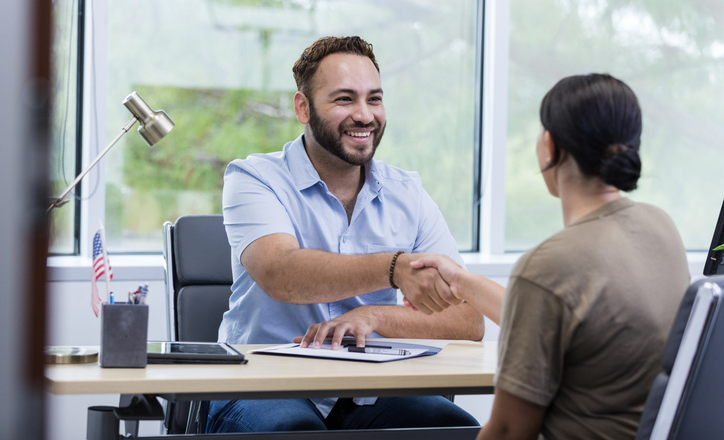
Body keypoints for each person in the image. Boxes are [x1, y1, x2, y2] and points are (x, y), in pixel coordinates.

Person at [206, 36, 484, 433]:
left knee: (453, 428)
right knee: (293, 431)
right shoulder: (254, 178)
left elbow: (468, 318)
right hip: (264, 387)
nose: (364, 115)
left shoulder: (407, 193)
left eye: (374, 99)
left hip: (372, 391)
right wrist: (394, 269)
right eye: (344, 99)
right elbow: (281, 273)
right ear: (303, 107)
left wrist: (373, 316)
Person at [411, 74, 690, 439]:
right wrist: (462, 282)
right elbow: (568, 316)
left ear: (549, 147)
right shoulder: (661, 227)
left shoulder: (550, 266)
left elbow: (510, 431)